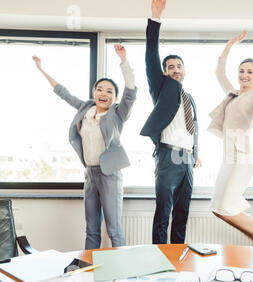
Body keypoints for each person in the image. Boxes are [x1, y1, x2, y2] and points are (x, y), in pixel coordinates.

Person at [32, 44, 137, 249]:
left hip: (110, 176)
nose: (103, 93)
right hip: (90, 174)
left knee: (114, 229)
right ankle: (89, 272)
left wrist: (123, 61)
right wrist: (41, 69)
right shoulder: (85, 108)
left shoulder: (118, 114)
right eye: (99, 89)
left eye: (109, 91)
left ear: (114, 98)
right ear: (93, 92)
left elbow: (131, 91)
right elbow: (63, 92)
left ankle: (123, 273)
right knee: (91, 229)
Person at [208, 31, 253, 249]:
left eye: (250, 72)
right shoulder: (232, 94)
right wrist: (229, 44)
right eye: (241, 71)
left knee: (227, 207)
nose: (244, 75)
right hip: (228, 157)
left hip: (243, 157)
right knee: (217, 207)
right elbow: (219, 71)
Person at [140, 0, 200, 244]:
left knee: (182, 213)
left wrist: (196, 153)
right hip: (167, 157)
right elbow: (150, 56)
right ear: (165, 72)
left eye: (179, 66)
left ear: (184, 71)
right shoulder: (162, 87)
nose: (176, 70)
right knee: (163, 212)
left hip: (187, 160)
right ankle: (158, 258)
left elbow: (194, 128)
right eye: (171, 67)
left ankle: (178, 260)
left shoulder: (189, 97)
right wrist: (155, 19)